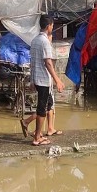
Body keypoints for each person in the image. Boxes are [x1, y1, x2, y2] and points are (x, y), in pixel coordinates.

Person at [20, 15, 65, 146]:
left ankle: (35, 128)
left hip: (37, 79)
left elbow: (33, 62)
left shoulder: (35, 40)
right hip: (44, 80)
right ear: (48, 26)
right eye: (52, 25)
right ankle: (37, 138)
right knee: (42, 109)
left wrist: (32, 80)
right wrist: (57, 79)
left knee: (46, 105)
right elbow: (48, 63)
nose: (53, 28)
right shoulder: (44, 42)